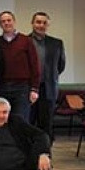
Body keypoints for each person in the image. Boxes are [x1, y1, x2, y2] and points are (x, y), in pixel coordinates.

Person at [0, 11, 40, 122]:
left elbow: (34, 65)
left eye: (9, 20)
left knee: (21, 121)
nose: (6, 23)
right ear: (0, 24)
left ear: (14, 22)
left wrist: (34, 89)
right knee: (2, 120)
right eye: (3, 21)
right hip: (2, 87)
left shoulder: (26, 41)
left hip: (22, 88)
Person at [29, 12, 66, 141]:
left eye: (44, 23)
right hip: (29, 89)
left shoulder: (57, 43)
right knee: (28, 122)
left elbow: (60, 66)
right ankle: (29, 151)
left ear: (48, 25)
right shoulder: (24, 41)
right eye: (38, 22)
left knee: (47, 124)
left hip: (48, 88)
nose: (41, 25)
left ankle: (45, 150)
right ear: (32, 23)